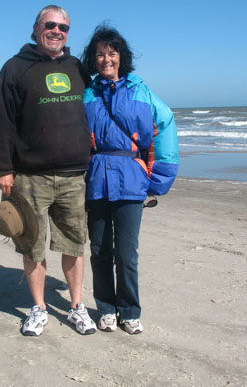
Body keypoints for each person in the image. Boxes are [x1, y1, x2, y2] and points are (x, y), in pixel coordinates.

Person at [0, 5, 97, 336]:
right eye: (50, 25)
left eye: (63, 27)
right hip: (30, 177)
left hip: (74, 176)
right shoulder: (15, 68)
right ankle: (38, 308)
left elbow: (98, 103)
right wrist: (3, 168)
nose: (56, 31)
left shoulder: (77, 68)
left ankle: (77, 307)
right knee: (32, 245)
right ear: (36, 28)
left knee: (74, 244)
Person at [80, 25, 179, 334]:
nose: (106, 59)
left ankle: (130, 310)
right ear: (93, 60)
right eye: (100, 54)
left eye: (112, 53)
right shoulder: (87, 94)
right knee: (99, 249)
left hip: (131, 179)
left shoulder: (141, 91)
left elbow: (165, 124)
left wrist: (159, 178)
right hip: (96, 179)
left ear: (122, 57)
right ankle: (106, 308)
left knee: (127, 252)